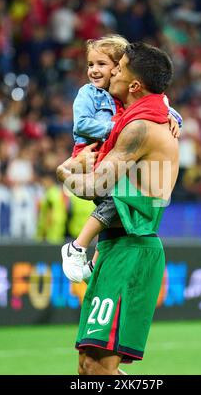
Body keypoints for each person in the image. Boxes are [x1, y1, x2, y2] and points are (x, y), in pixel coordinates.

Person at [57, 42, 179, 375]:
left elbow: (97, 186)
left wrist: (65, 172)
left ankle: (76, 246)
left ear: (134, 84)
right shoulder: (140, 118)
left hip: (132, 248)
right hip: (113, 247)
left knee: (98, 368)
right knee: (88, 366)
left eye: (119, 67)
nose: (112, 72)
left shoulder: (140, 128)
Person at [62, 35, 182, 283]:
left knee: (118, 204)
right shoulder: (89, 94)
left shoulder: (127, 102)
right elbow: (82, 124)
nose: (94, 71)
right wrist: (115, 127)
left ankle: (93, 260)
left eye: (104, 65)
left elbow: (162, 102)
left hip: (111, 161)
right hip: (90, 152)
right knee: (116, 199)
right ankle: (77, 246)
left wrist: (173, 118)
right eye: (90, 64)